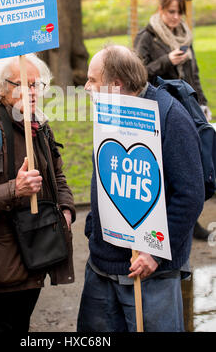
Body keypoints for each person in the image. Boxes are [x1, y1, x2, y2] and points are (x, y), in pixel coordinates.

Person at [77, 45, 205, 332]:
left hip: (151, 274)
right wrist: (93, 227)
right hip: (101, 266)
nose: (86, 87)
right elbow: (106, 172)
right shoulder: (108, 110)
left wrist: (155, 254)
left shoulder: (170, 116)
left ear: (116, 85)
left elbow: (190, 194)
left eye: (92, 80)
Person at [0, 54, 75, 332]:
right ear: (0, 89)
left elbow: (58, 176)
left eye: (36, 84)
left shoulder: (39, 127)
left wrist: (66, 210)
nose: (31, 92)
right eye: (21, 84)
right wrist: (13, 190)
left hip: (37, 259)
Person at [134, 0, 211, 240]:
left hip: (187, 109)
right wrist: (167, 60)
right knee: (167, 167)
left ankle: (190, 221)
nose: (175, 17)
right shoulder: (147, 36)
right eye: (171, 12)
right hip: (160, 111)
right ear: (161, 10)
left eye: (179, 12)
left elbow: (194, 74)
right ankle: (162, 222)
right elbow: (138, 74)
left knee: (190, 166)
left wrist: (202, 103)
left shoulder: (185, 36)